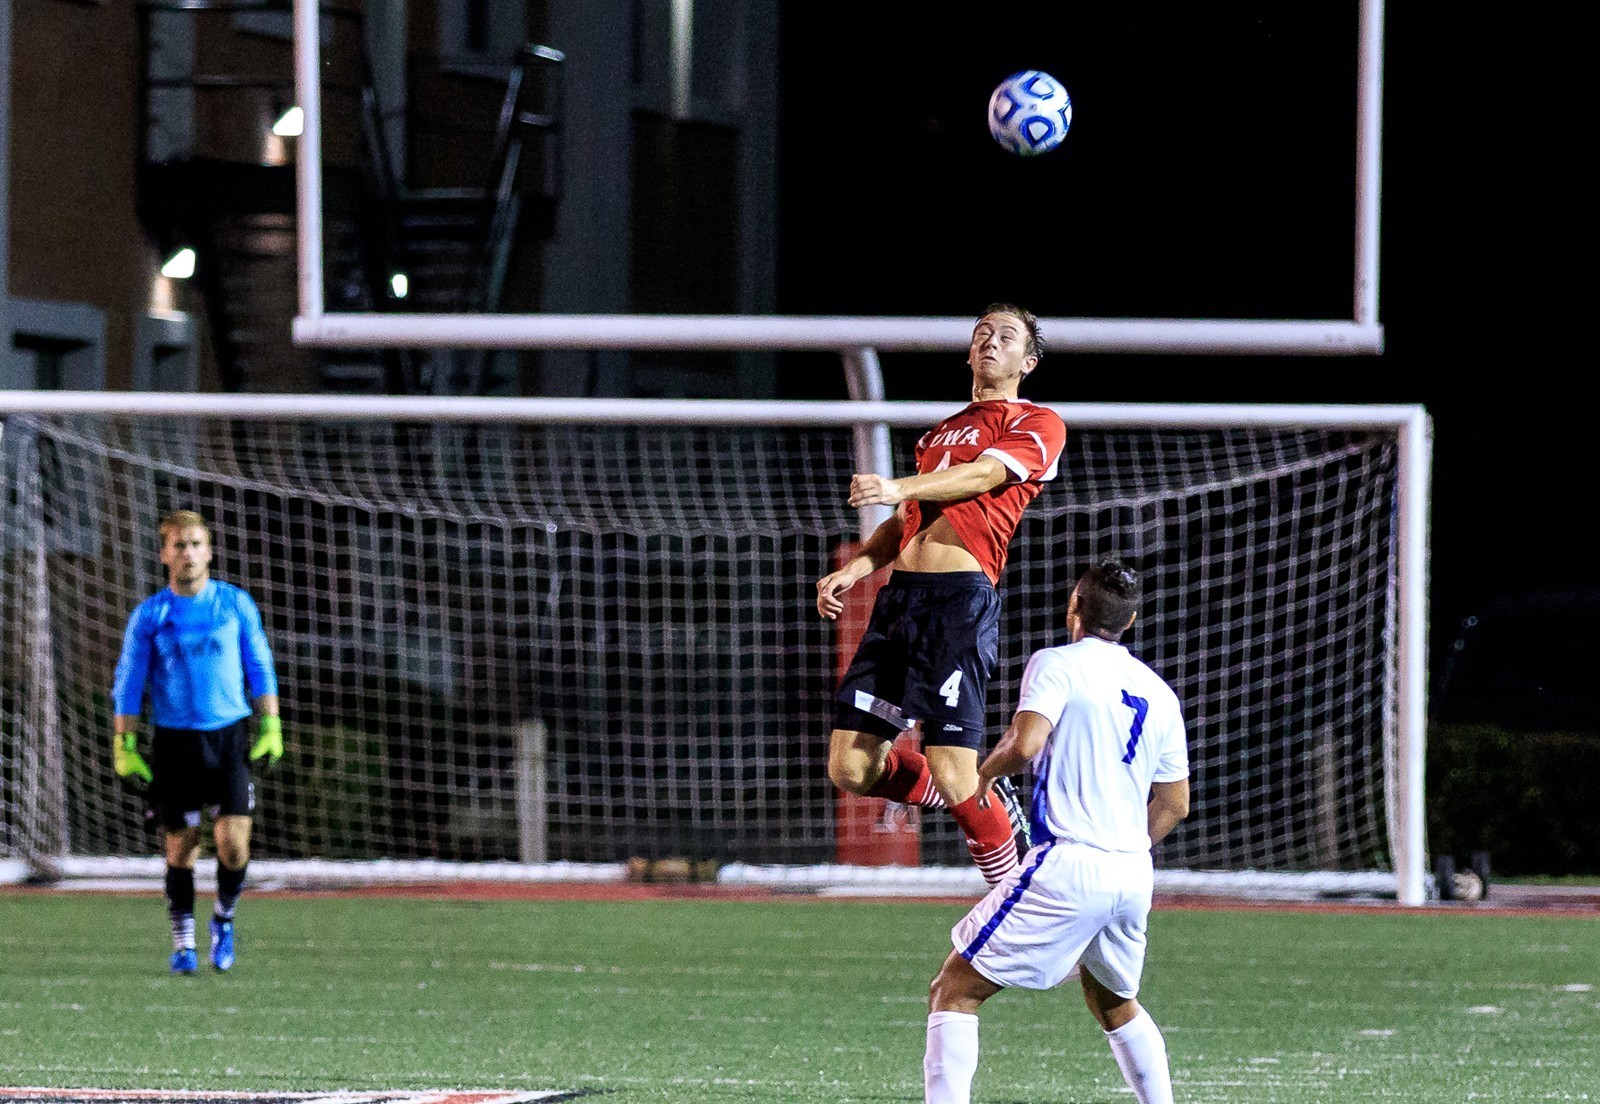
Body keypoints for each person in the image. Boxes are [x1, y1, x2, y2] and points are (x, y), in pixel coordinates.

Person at [920, 558, 1190, 1104]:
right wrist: (1125, 848)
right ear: (1130, 620)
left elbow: (1025, 743)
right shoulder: (1160, 692)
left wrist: (982, 777)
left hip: (1070, 864)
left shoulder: (1057, 663)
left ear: (1074, 607)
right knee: (1114, 1003)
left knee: (953, 990)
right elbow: (1175, 804)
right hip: (1133, 872)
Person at [817, 303, 1068, 886]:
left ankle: (1015, 896)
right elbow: (908, 518)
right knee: (851, 766)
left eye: (1007, 336)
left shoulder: (1038, 421)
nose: (990, 340)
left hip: (958, 602)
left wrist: (897, 484)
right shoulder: (938, 433)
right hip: (899, 602)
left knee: (956, 770)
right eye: (982, 332)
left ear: (1026, 362)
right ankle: (975, 794)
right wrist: (855, 571)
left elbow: (984, 476)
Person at [111, 509, 283, 975]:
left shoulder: (234, 604)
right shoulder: (151, 614)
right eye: (179, 545)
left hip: (228, 738)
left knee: (233, 845)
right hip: (175, 744)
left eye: (196, 544)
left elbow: (260, 665)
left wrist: (271, 725)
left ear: (209, 551)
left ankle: (223, 921)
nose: (188, 553)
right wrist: (123, 744)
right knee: (181, 847)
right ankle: (183, 942)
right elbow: (129, 681)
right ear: (164, 553)